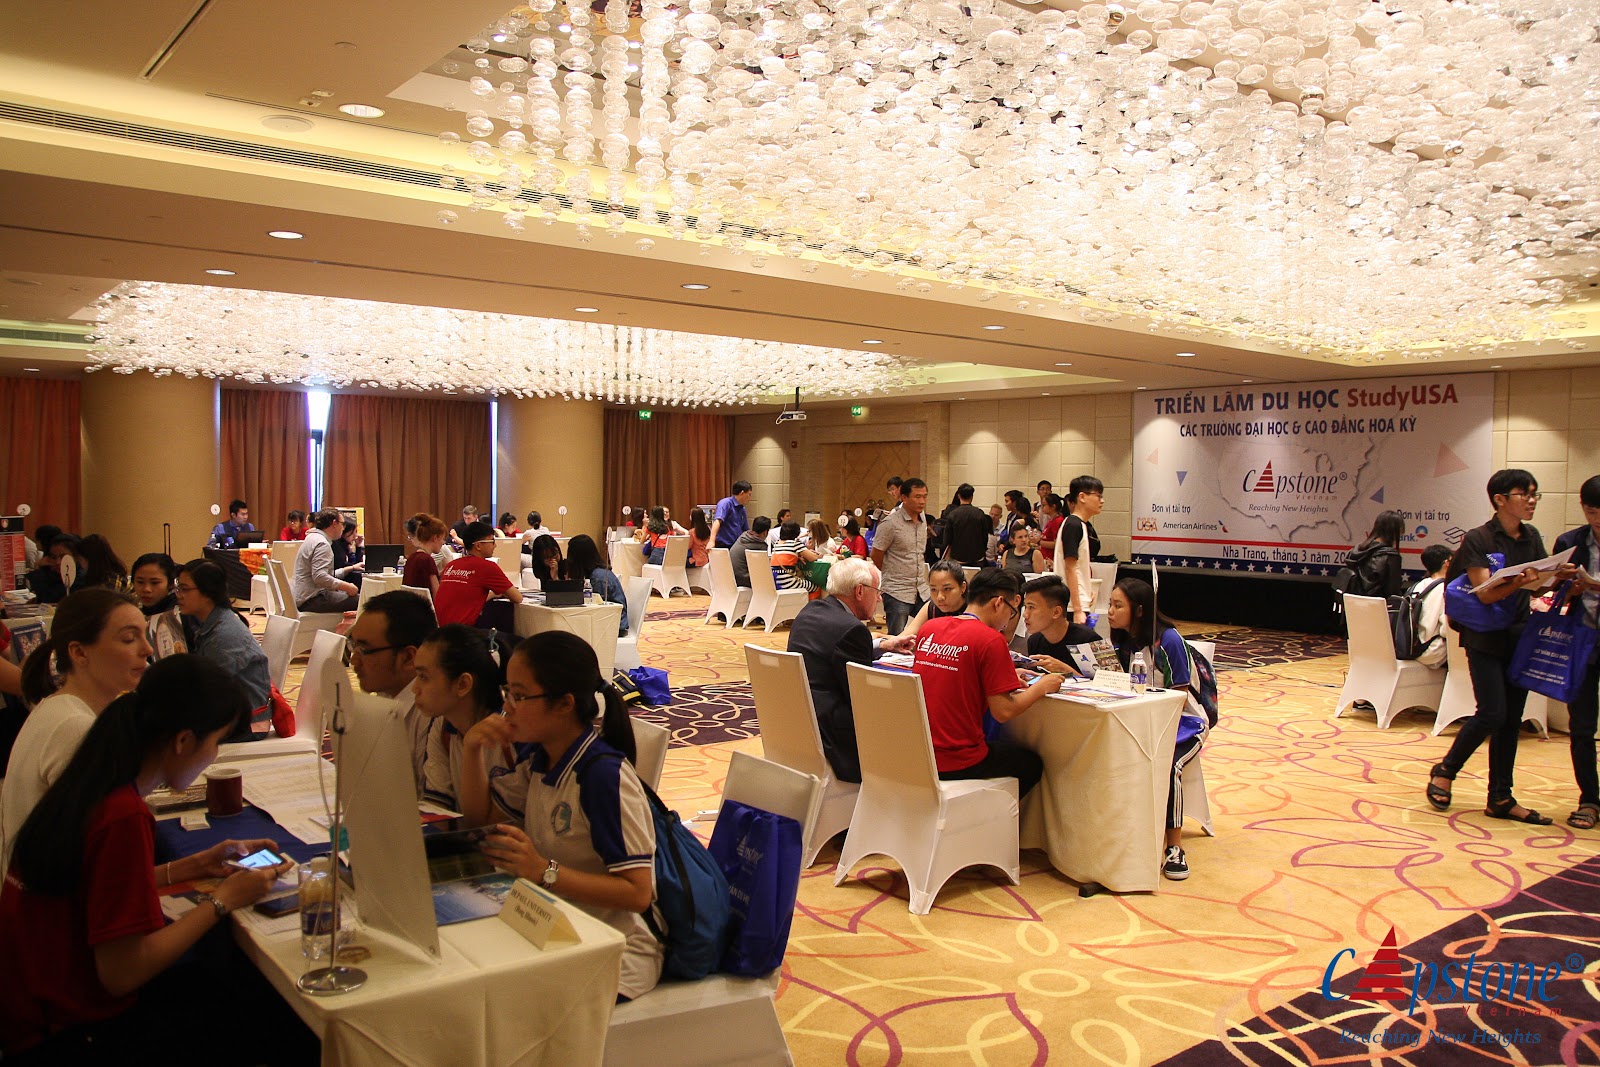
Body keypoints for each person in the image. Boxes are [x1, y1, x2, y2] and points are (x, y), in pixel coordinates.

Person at [0, 655, 291, 1059]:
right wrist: (223, 901)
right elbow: (122, 974)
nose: (214, 756)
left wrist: (190, 866)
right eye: (216, 743)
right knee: (258, 1009)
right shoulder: (123, 815)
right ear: (183, 741)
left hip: (28, 1006)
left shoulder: (91, 779)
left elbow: (89, 888)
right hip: (70, 1030)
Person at [461, 631, 662, 1001]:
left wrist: (542, 870)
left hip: (615, 951)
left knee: (490, 998)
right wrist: (471, 750)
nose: (507, 708)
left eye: (519, 696)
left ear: (564, 704)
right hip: (556, 927)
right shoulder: (541, 759)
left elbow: (638, 894)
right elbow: (479, 820)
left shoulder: (602, 777)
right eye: (507, 693)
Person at [1426, 469, 1571, 825]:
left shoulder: (1531, 536)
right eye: (1525, 494)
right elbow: (1485, 593)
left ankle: (1501, 797)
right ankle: (1445, 770)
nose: (1532, 500)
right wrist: (1518, 583)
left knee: (1511, 720)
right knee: (1492, 712)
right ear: (1500, 500)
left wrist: (1558, 579)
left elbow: (1536, 586)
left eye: (1535, 494)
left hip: (1519, 634)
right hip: (1484, 636)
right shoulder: (1479, 538)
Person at [1, 589, 151, 870]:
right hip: (45, 891)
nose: (147, 649)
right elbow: (92, 863)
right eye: (129, 639)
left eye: (144, 635)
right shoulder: (74, 727)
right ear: (80, 652)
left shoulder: (61, 707)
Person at [911, 568, 1062, 797]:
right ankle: (992, 814)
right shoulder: (991, 639)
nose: (1008, 621)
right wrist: (1042, 687)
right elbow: (1004, 711)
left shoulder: (930, 628)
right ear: (999, 603)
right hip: (958, 759)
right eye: (1011, 612)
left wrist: (1003, 677)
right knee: (1031, 765)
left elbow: (956, 676)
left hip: (919, 753)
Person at [1107, 577, 1208, 880]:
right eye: (1110, 604)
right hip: (1141, 719)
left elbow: (1181, 696)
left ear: (1139, 610)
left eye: (1117, 605)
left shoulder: (1169, 640)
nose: (1110, 611)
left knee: (1168, 764)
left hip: (1184, 722)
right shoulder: (1122, 641)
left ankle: (1174, 848)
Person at [787, 558, 908, 783]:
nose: (879, 599)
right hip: (835, 740)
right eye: (877, 591)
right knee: (905, 723)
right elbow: (862, 700)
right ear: (860, 591)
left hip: (801, 723)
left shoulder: (810, 611)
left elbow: (834, 648)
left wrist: (881, 645)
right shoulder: (851, 630)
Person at [413, 625, 511, 816]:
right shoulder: (443, 726)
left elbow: (488, 826)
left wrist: (471, 748)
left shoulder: (510, 736)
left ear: (463, 684)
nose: (414, 688)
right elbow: (437, 810)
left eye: (423, 677)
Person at [347, 591, 438, 792]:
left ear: (408, 658)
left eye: (364, 650)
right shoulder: (386, 693)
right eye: (353, 646)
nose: (354, 660)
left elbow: (430, 803)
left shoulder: (433, 716)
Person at [175, 560, 271, 742]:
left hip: (245, 724)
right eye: (178, 588)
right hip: (229, 713)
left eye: (185, 589)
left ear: (207, 593)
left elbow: (206, 691)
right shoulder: (216, 620)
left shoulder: (224, 635)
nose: (178, 595)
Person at [1553, 474, 1600, 831]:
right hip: (1582, 641)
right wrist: (1566, 586)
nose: (1598, 519)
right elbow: (1550, 593)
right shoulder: (1570, 543)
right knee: (1581, 726)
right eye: (1592, 512)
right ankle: (1589, 800)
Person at [435, 521, 523, 628]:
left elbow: (466, 599)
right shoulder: (487, 567)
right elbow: (517, 598)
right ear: (478, 546)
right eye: (492, 541)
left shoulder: (451, 565)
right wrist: (497, 593)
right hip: (462, 633)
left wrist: (493, 594)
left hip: (439, 630)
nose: (495, 545)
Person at [872, 476, 931, 635]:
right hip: (897, 590)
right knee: (896, 638)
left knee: (934, 626)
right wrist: (891, 572)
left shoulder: (923, 518)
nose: (922, 501)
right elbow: (876, 554)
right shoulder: (890, 524)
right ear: (904, 498)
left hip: (921, 589)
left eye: (924, 496)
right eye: (917, 497)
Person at [1021, 575, 1105, 677]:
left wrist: (1066, 671)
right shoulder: (1034, 641)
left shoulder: (1090, 639)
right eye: (1025, 607)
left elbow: (1114, 683)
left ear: (1056, 612)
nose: (1025, 614)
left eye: (1031, 607)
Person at [1055, 476, 1104, 624]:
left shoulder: (1079, 524)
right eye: (1098, 496)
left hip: (1076, 602)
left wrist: (1086, 592)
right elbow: (1070, 567)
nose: (1102, 501)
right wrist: (1077, 609)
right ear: (1082, 497)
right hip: (1071, 606)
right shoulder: (1073, 525)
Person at [291, 509, 360, 614]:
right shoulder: (322, 544)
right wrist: (347, 587)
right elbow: (320, 577)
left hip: (303, 596)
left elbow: (324, 575)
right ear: (334, 523)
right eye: (343, 524)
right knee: (362, 601)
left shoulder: (312, 538)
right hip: (312, 599)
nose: (343, 528)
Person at [567, 534, 629, 636]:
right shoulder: (595, 573)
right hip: (609, 622)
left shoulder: (598, 577)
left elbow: (597, 608)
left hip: (614, 626)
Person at [129, 553, 186, 660]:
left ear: (170, 584)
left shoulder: (180, 613)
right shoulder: (132, 612)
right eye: (140, 582)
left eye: (155, 583)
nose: (146, 589)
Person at [896, 561, 968, 641]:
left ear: (963, 587)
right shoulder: (931, 607)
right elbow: (904, 637)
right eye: (933, 589)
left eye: (947, 589)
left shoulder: (974, 609)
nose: (940, 597)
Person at [1341, 510, 1406, 599]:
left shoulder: (1357, 550)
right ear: (1395, 532)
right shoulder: (1391, 556)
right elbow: (1393, 592)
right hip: (1376, 604)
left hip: (1351, 603)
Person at [1410, 544, 1452, 670]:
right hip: (1431, 652)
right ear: (1447, 563)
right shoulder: (1446, 589)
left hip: (1410, 648)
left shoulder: (1416, 586)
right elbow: (1446, 630)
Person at [941, 484, 991, 567]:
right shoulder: (980, 513)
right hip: (977, 557)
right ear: (972, 496)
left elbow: (947, 538)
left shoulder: (953, 514)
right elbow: (985, 536)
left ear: (958, 496)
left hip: (957, 558)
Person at [403, 513, 448, 597]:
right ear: (435, 538)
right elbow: (437, 595)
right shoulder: (427, 560)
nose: (443, 542)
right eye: (443, 538)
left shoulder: (411, 558)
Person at [769, 520, 819, 591]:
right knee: (816, 587)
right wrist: (820, 555)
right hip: (788, 582)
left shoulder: (776, 544)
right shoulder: (794, 543)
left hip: (776, 581)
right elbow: (813, 558)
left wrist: (798, 557)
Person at [729, 516, 772, 587]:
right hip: (744, 580)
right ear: (765, 532)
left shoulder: (743, 537)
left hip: (732, 578)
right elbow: (761, 569)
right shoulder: (760, 546)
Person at [709, 480, 753, 549]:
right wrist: (712, 541)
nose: (750, 498)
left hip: (736, 546)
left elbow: (745, 530)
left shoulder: (742, 509)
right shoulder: (725, 503)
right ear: (742, 493)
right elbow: (717, 521)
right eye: (749, 494)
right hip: (723, 545)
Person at [331, 520, 365, 587]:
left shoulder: (345, 546)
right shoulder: (336, 546)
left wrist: (358, 546)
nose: (355, 536)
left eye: (356, 532)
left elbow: (357, 564)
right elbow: (341, 566)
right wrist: (353, 567)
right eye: (352, 533)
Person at [1037, 495, 1064, 569]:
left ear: (1053, 506)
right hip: (1046, 558)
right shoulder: (1050, 521)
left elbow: (1057, 544)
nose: (1042, 508)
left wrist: (1039, 542)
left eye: (1044, 505)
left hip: (1052, 560)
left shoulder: (1058, 521)